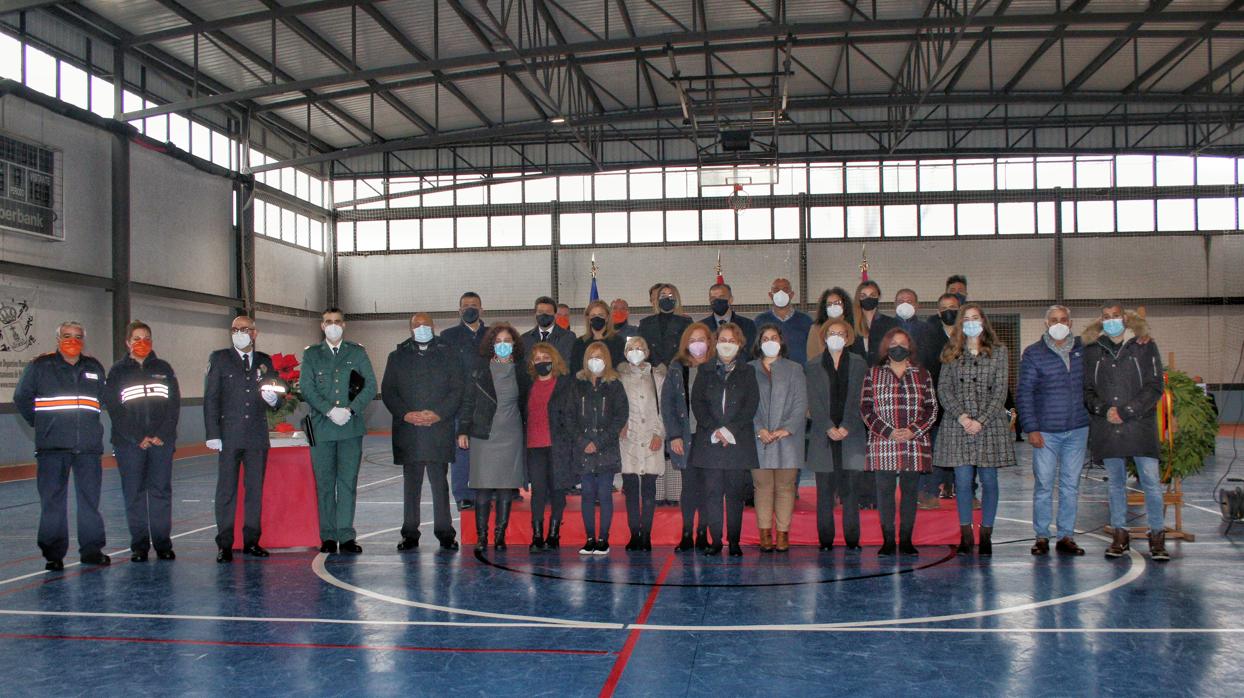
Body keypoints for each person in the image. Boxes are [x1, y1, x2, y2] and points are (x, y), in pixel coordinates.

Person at [15, 321, 110, 571]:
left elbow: (104, 399)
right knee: (53, 503)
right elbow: (22, 397)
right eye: (67, 336)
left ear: (83, 340)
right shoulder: (40, 366)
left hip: (88, 449)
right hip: (52, 449)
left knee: (89, 502)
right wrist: (42, 424)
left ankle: (92, 551)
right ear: (58, 339)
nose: (73, 340)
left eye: (78, 336)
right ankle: (53, 555)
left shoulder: (94, 367)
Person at [1083, 302, 1169, 561]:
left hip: (1140, 424)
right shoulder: (1092, 350)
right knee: (1115, 485)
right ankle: (1120, 535)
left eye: (1115, 316)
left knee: (1152, 484)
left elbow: (1155, 386)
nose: (1111, 321)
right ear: (1101, 321)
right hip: (1107, 426)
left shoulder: (1145, 346)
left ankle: (1157, 536)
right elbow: (1087, 390)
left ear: (1125, 319)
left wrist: (1127, 410)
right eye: (1106, 317)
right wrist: (1105, 409)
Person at [933, 304, 1015, 557]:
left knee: (989, 481)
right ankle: (966, 534)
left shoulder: (999, 352)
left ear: (983, 321)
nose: (970, 322)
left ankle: (986, 533)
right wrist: (962, 417)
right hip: (958, 425)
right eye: (966, 319)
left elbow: (1001, 391)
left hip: (989, 426)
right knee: (963, 481)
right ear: (960, 324)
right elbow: (943, 389)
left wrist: (981, 419)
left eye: (975, 318)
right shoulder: (951, 351)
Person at [382, 313, 464, 552]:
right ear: (410, 328)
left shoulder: (449, 354)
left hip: (438, 428)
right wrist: (406, 414)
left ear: (433, 326)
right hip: (409, 430)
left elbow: (457, 389)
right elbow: (388, 391)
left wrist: (439, 414)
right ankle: (409, 534)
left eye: (426, 325)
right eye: (417, 325)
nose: (422, 328)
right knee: (412, 484)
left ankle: (445, 533)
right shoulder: (396, 357)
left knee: (440, 484)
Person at [204, 314, 281, 562]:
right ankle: (224, 543)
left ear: (254, 333)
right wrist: (213, 434)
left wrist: (274, 399)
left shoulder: (264, 361)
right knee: (226, 491)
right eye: (236, 329)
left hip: (257, 437)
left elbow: (277, 390)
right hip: (228, 436)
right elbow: (211, 398)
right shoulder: (220, 359)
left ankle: (251, 541)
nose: (240, 333)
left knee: (254, 491)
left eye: (245, 329)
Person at [300, 308, 377, 555]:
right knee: (324, 484)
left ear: (344, 325)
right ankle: (327, 535)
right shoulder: (312, 355)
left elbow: (370, 386)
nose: (333, 325)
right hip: (322, 429)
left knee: (347, 483)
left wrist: (351, 410)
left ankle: (345, 535)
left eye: (337, 322)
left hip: (350, 429)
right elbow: (307, 388)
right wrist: (329, 411)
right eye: (328, 322)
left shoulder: (357, 352)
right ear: (322, 326)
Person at [104, 321, 180, 562]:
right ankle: (139, 546)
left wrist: (162, 434)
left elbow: (173, 406)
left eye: (146, 337)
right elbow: (115, 409)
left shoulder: (164, 369)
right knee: (134, 494)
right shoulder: (117, 372)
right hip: (129, 444)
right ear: (128, 343)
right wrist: (138, 437)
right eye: (136, 338)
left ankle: (162, 544)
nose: (142, 342)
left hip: (161, 442)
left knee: (160, 492)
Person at [1017, 305, 1089, 556]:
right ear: (1046, 324)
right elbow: (1024, 393)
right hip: (1045, 432)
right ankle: (1041, 536)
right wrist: (1031, 428)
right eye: (1054, 320)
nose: (1059, 323)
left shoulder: (1084, 350)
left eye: (1064, 319)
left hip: (1078, 429)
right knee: (1044, 485)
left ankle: (1066, 536)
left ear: (1071, 322)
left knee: (1071, 485)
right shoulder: (1034, 354)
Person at [861, 328, 938, 556]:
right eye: (893, 343)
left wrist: (913, 431)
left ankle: (905, 540)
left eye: (903, 343)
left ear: (910, 347)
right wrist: (888, 431)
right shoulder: (873, 374)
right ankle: (887, 540)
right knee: (884, 493)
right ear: (886, 347)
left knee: (909, 492)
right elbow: (866, 408)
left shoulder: (922, 374)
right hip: (883, 442)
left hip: (914, 443)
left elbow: (931, 408)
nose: (898, 347)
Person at [458, 324, 530, 552]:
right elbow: (468, 402)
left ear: (514, 344)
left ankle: (499, 537)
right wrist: (463, 430)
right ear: (491, 345)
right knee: (483, 487)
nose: (502, 345)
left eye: (507, 341)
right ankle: (482, 537)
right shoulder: (479, 370)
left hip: (512, 434)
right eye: (498, 341)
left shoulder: (522, 371)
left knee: (505, 487)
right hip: (484, 434)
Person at [691, 322, 760, 556]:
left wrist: (729, 430)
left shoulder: (748, 372)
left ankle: (734, 541)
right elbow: (698, 404)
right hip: (709, 443)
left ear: (739, 344)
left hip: (737, 443)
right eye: (723, 340)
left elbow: (750, 406)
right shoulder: (704, 370)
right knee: (712, 495)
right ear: (715, 343)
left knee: (734, 496)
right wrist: (715, 430)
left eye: (732, 341)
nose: (727, 345)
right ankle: (716, 541)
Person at [805, 319, 868, 551]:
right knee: (824, 494)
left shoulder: (860, 364)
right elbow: (813, 401)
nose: (836, 336)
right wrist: (828, 426)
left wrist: (847, 426)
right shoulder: (812, 366)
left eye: (841, 333)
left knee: (851, 492)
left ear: (848, 337)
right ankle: (826, 540)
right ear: (824, 336)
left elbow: (860, 399)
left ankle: (853, 539)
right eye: (832, 332)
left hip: (851, 437)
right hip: (824, 437)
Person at [750, 324, 807, 552]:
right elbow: (746, 405)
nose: (770, 341)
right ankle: (764, 533)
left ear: (781, 341)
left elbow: (801, 402)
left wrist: (787, 428)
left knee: (785, 487)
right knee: (762, 487)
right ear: (759, 343)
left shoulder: (795, 369)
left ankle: (783, 534)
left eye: (774, 337)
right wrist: (759, 428)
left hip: (788, 439)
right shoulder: (749, 369)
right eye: (766, 338)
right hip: (759, 438)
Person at [568, 342, 629, 554]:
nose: (596, 360)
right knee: (586, 495)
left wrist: (600, 441)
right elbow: (569, 417)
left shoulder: (615, 385)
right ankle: (590, 538)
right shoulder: (577, 385)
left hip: (606, 451)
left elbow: (620, 416)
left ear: (607, 360)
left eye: (600, 356)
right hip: (583, 450)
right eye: (592, 356)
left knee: (604, 494)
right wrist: (583, 442)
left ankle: (604, 538)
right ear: (586, 359)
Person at [662, 322, 714, 551]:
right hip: (685, 437)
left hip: (710, 438)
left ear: (709, 342)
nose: (697, 345)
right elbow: (668, 404)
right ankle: (686, 533)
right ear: (685, 344)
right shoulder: (676, 368)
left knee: (707, 487)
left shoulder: (716, 367)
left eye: (701, 339)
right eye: (692, 341)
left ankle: (703, 532)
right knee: (689, 486)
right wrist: (674, 435)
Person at [525, 342, 576, 551]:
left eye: (545, 357)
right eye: (537, 359)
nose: (542, 362)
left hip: (559, 446)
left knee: (557, 490)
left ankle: (553, 534)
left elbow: (572, 415)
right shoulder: (528, 385)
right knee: (537, 491)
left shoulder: (565, 384)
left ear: (554, 359)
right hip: (534, 446)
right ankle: (537, 535)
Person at [617, 335, 666, 551]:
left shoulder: (658, 376)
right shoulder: (618, 377)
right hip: (628, 440)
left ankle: (646, 534)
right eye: (631, 348)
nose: (635, 351)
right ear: (625, 352)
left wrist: (659, 433)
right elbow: (615, 406)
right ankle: (634, 534)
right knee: (630, 489)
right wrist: (620, 425)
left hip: (651, 438)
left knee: (648, 491)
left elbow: (666, 407)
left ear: (647, 352)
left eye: (640, 347)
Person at [917, 292, 963, 507]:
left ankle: (967, 492)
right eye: (944, 308)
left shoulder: (968, 335)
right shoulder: (927, 335)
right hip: (934, 403)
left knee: (962, 452)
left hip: (963, 407)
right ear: (938, 311)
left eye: (952, 307)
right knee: (931, 450)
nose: (948, 311)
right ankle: (929, 492)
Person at [442, 291, 487, 511]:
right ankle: (463, 494)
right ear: (459, 310)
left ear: (482, 309)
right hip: (460, 404)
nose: (470, 309)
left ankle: (490, 490)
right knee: (462, 450)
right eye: (466, 305)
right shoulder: (447, 337)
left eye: (474, 305)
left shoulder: (492, 335)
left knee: (489, 450)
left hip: (488, 403)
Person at [754, 277, 814, 366]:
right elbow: (755, 350)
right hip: (769, 374)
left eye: (785, 290)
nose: (781, 293)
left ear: (791, 294)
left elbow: (812, 349)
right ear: (770, 295)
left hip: (800, 374)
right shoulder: (760, 320)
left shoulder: (806, 320)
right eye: (776, 290)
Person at [640, 283, 692, 367]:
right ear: (657, 299)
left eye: (671, 296)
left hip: (678, 370)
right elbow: (641, 349)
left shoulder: (686, 323)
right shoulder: (645, 323)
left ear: (676, 299)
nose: (667, 299)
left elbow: (688, 351)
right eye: (663, 296)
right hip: (653, 371)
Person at [570, 299, 626, 374]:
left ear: (607, 318)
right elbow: (574, 369)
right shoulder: (580, 343)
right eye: (593, 315)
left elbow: (620, 367)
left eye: (600, 315)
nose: (597, 318)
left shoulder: (618, 341)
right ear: (588, 319)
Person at [808, 287, 863, 361]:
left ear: (844, 304)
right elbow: (812, 357)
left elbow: (860, 354)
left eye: (837, 303)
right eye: (829, 304)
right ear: (824, 308)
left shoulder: (855, 326)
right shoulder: (816, 329)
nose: (833, 306)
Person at [701, 282, 757, 352]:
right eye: (713, 298)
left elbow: (751, 352)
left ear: (731, 299)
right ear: (709, 301)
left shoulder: (748, 325)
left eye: (722, 297)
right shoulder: (701, 326)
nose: (717, 301)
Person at [854, 280, 898, 365]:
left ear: (878, 296)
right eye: (863, 296)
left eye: (872, 295)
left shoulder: (891, 323)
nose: (868, 298)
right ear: (858, 298)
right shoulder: (851, 324)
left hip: (882, 372)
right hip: (857, 373)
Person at [521, 296, 575, 363]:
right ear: (535, 315)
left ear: (555, 315)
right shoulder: (525, 339)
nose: (544, 315)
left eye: (548, 312)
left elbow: (567, 364)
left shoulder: (568, 337)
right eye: (540, 312)